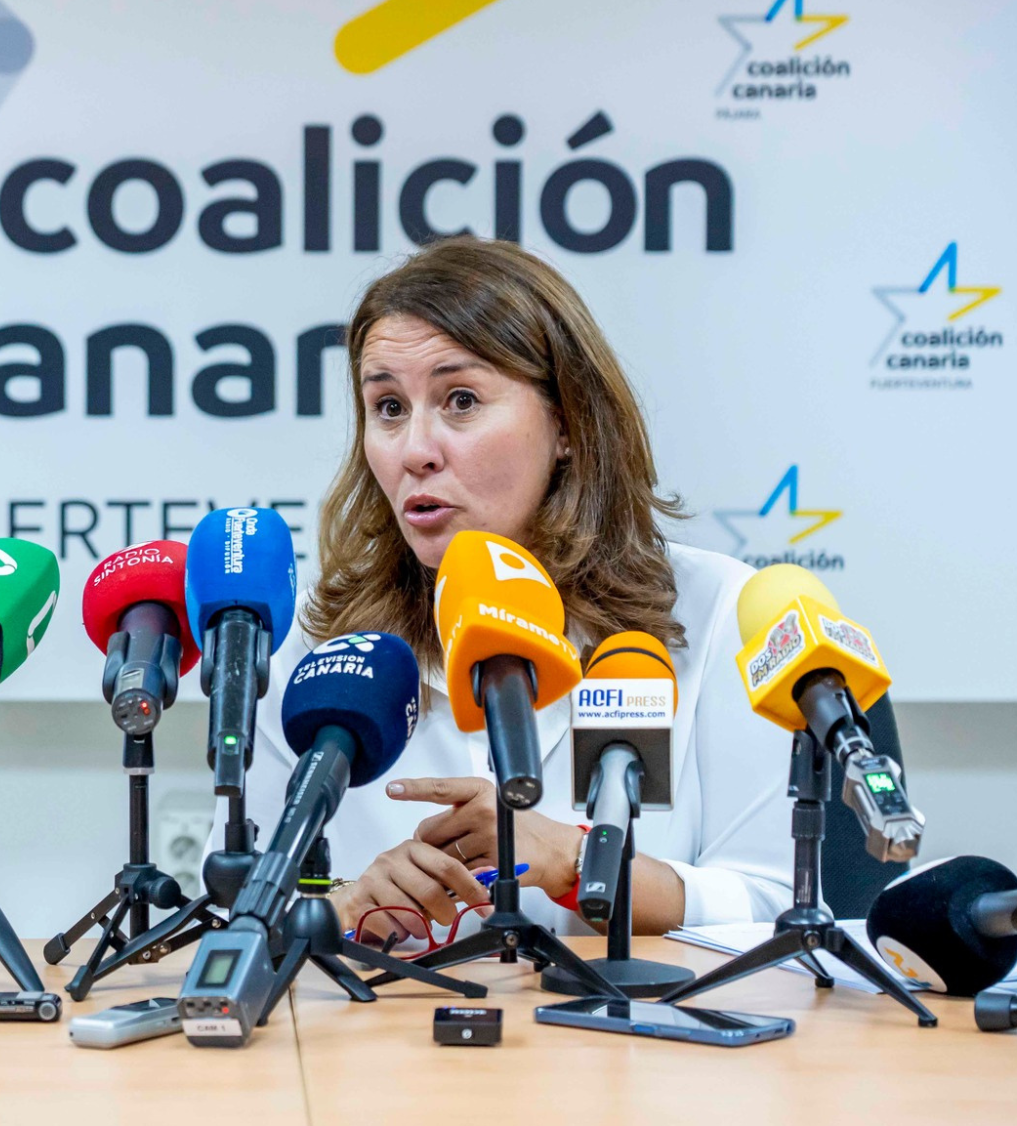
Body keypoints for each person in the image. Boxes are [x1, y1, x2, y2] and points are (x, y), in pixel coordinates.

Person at [225, 236, 793, 945]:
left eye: (461, 400)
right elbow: (249, 921)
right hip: (395, 1049)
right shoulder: (320, 652)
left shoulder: (713, 613)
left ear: (566, 423)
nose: (414, 450)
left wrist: (577, 863)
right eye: (389, 408)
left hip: (642, 1047)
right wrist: (348, 910)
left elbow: (777, 904)